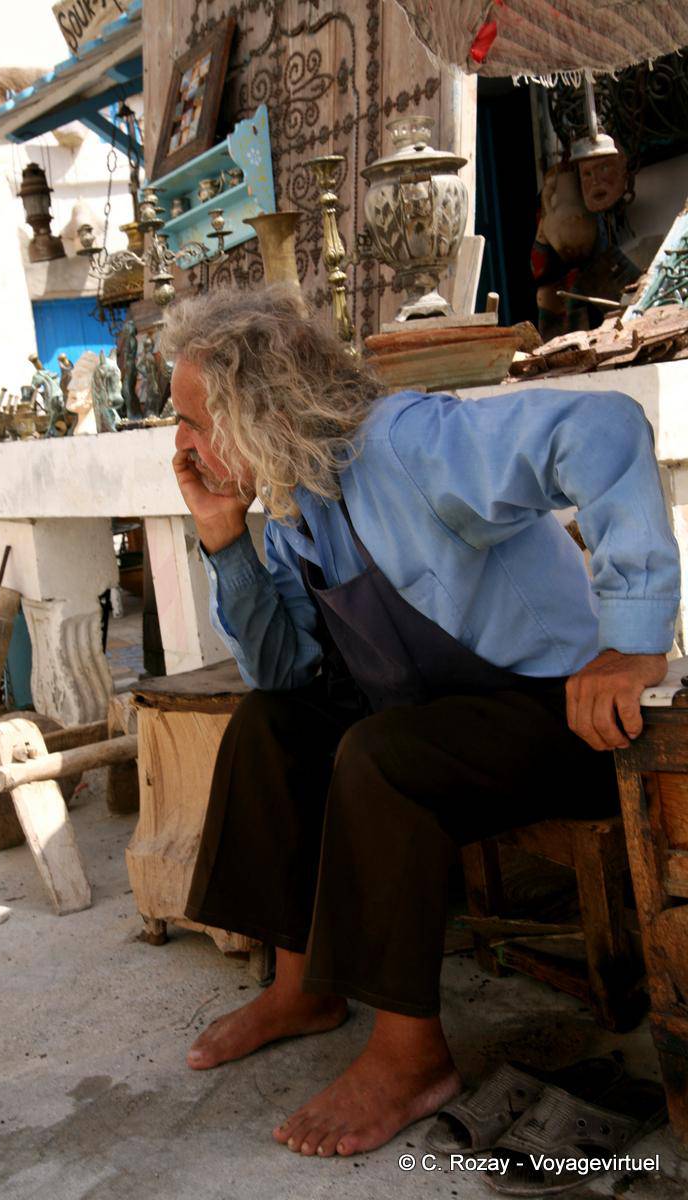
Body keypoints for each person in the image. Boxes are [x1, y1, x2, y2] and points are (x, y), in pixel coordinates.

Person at [161, 284, 679, 1160]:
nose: (180, 444)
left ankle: (409, 1058)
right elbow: (282, 670)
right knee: (272, 723)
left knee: (381, 755)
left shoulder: (407, 444)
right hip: (440, 720)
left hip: (570, 717)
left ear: (263, 410)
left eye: (193, 421)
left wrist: (633, 642)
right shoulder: (292, 507)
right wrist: (224, 538)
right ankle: (301, 987)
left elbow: (604, 430)